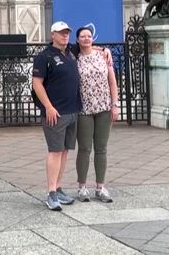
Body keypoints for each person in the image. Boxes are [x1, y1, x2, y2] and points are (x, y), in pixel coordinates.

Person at [31, 21, 81, 211]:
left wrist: (104, 50)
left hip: (72, 110)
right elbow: (37, 83)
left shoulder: (71, 52)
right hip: (55, 112)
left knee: (65, 150)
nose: (65, 36)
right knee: (55, 151)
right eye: (61, 33)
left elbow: (89, 45)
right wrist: (48, 107)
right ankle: (51, 192)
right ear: (53, 35)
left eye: (67, 32)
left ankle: (59, 188)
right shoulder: (44, 56)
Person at [73, 26, 118, 203]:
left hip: (104, 107)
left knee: (101, 148)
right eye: (82, 36)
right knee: (84, 148)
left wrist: (115, 105)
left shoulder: (103, 56)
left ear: (93, 38)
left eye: (89, 36)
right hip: (84, 109)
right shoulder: (74, 57)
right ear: (77, 40)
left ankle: (100, 187)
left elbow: (112, 82)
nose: (86, 38)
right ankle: (82, 187)